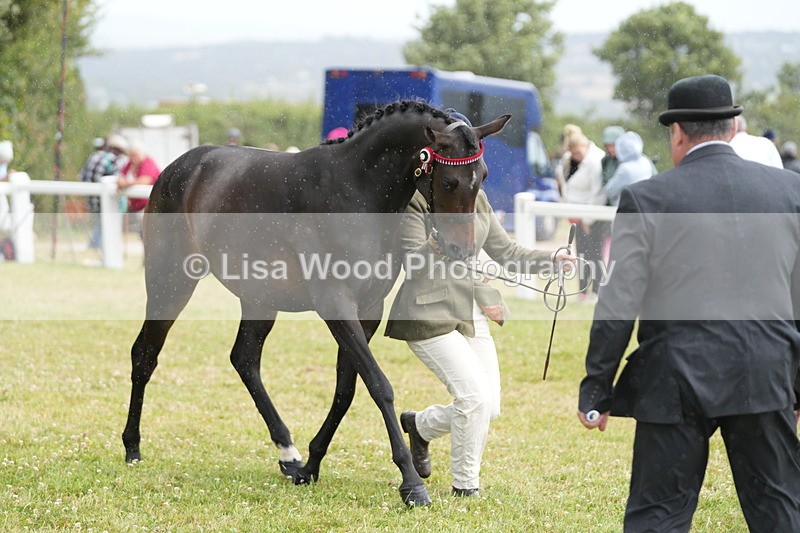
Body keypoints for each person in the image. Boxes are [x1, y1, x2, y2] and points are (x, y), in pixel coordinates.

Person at [578, 74, 800, 532]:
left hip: (675, 378)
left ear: (677, 132)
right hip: (765, 372)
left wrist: (597, 386)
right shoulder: (789, 192)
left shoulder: (648, 198)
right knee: (781, 514)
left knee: (658, 516)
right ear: (734, 129)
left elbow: (619, 301)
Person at [386, 113, 576, 498]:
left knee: (489, 408)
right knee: (472, 397)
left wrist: (550, 259)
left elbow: (506, 251)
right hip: (428, 311)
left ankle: (419, 426)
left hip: (471, 311)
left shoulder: (477, 197)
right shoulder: (415, 202)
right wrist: (433, 246)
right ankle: (465, 486)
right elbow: (412, 261)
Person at [556, 124, 607, 300]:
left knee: (596, 254)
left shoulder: (595, 160)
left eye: (578, 152)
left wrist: (587, 219)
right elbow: (564, 183)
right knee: (582, 253)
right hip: (576, 212)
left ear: (584, 146)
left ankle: (597, 291)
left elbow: (597, 193)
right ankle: (583, 290)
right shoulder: (569, 159)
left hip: (595, 213)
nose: (575, 156)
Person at [79, 134, 129, 252]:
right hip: (105, 201)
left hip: (91, 199)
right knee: (107, 227)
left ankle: (95, 248)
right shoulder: (115, 160)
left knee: (100, 225)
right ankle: (98, 249)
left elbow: (82, 177)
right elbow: (118, 180)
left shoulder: (94, 156)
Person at [604, 131, 655, 206]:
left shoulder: (625, 168)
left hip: (628, 207)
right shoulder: (645, 161)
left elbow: (609, 191)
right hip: (645, 205)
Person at [117, 140, 161, 216]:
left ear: (142, 154)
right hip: (133, 207)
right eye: (131, 155)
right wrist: (120, 181)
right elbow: (121, 175)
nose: (133, 158)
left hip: (148, 207)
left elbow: (145, 180)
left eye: (135, 155)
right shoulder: (130, 163)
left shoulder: (148, 163)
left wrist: (126, 184)